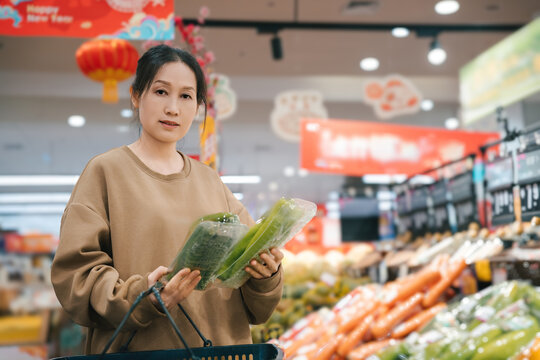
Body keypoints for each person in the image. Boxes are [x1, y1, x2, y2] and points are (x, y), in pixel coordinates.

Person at [51, 44, 284, 354]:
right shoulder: (106, 172)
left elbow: (257, 308)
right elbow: (75, 279)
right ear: (136, 95)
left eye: (186, 96)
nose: (173, 108)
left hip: (221, 350)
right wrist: (143, 296)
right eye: (161, 92)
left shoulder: (211, 182)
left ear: (197, 106)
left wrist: (266, 275)